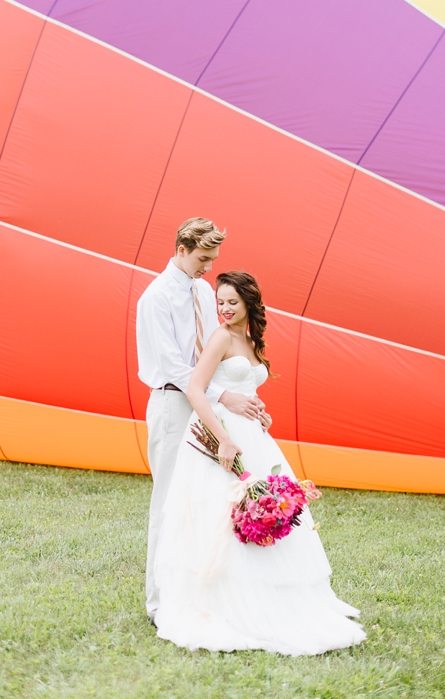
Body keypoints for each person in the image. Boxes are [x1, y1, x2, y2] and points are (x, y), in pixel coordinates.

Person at [152, 270, 364, 655]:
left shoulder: (249, 339)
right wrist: (223, 439)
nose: (225, 309)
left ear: (249, 303)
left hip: (255, 435)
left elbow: (245, 387)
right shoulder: (219, 337)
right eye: (220, 302)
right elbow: (196, 389)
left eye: (232, 302)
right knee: (222, 516)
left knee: (264, 509)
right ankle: (225, 602)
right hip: (222, 435)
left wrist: (261, 415)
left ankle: (272, 596)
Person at [136, 217, 269, 621]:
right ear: (181, 249)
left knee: (206, 498)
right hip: (174, 404)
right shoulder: (155, 298)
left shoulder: (198, 289)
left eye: (212, 260)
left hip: (208, 403)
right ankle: (158, 601)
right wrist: (221, 395)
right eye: (203, 259)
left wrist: (239, 397)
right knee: (169, 502)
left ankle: (202, 591)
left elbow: (214, 355)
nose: (208, 268)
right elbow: (176, 368)